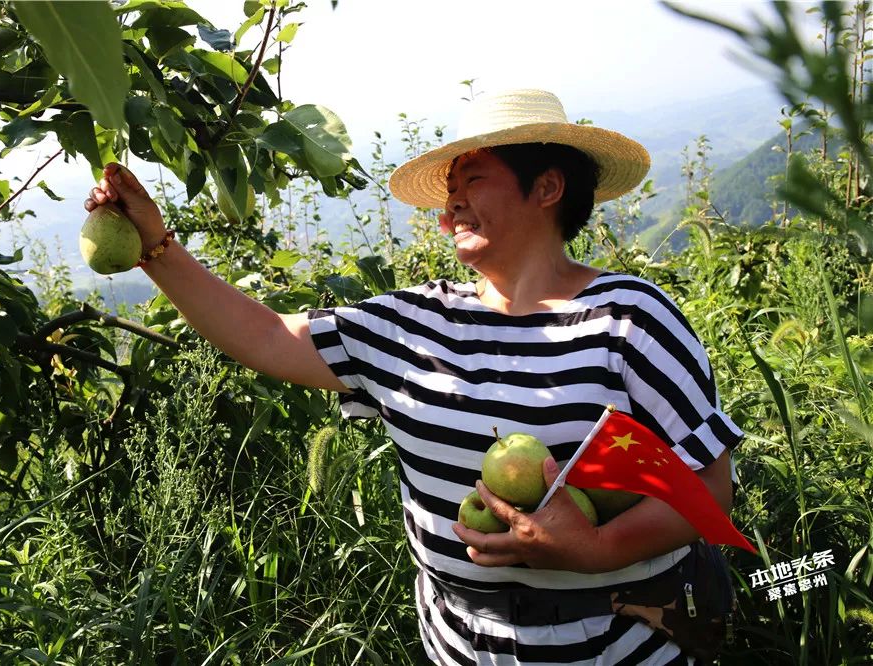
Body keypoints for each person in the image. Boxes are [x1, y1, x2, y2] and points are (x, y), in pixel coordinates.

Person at [84, 89, 742, 665]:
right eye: (450, 188)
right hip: (457, 645)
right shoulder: (412, 322)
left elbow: (710, 487)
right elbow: (264, 336)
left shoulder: (630, 319)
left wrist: (594, 548)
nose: (450, 202)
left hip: (612, 648)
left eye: (473, 179)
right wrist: (157, 249)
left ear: (546, 188)